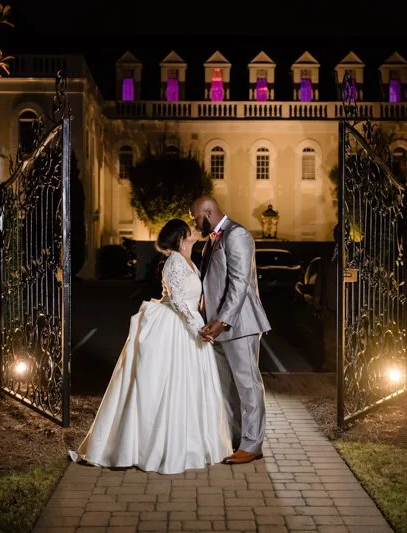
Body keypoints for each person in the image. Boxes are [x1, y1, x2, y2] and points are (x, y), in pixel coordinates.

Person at [69, 219, 232, 474]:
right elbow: (177, 301)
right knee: (168, 384)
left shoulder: (189, 261)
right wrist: (197, 329)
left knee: (190, 385)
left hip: (189, 324)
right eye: (189, 229)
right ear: (180, 237)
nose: (194, 230)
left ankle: (192, 443)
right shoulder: (174, 261)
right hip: (175, 326)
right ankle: (155, 447)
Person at [190, 196, 271, 465]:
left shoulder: (237, 234)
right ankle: (235, 440)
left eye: (195, 217)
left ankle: (252, 444)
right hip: (217, 327)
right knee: (227, 389)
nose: (194, 222)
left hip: (240, 324)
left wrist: (222, 321)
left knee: (248, 386)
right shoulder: (212, 241)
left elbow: (239, 283)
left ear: (207, 211)